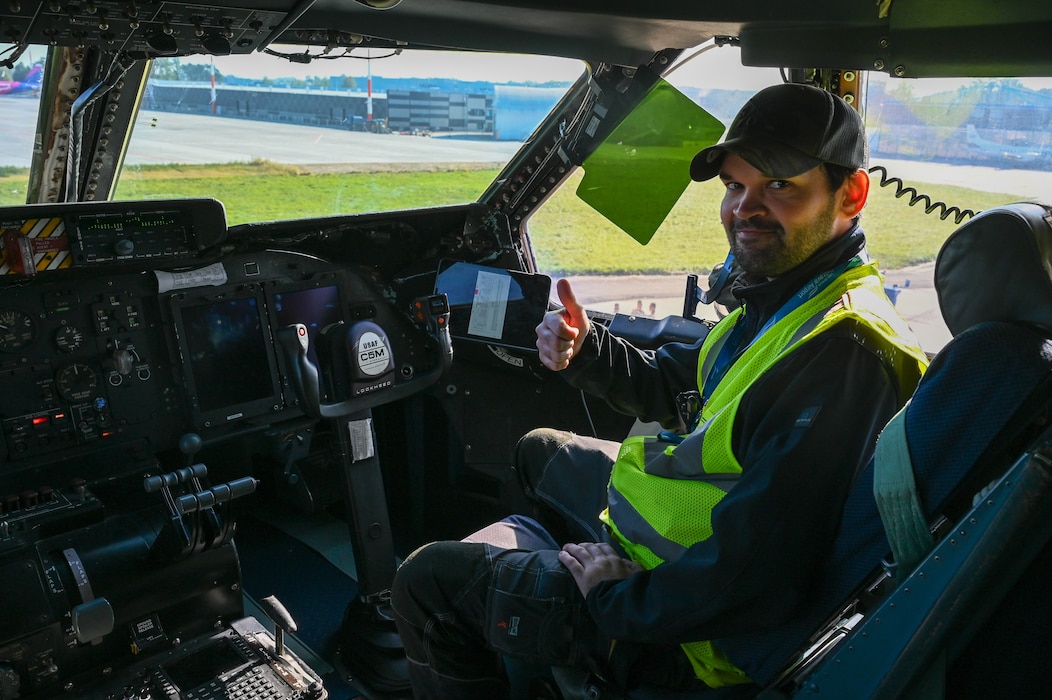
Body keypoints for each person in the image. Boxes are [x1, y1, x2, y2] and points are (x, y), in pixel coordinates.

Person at [390, 83, 929, 698]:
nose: (744, 208)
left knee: (425, 581)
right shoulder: (787, 302)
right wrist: (586, 350)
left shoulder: (841, 356)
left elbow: (757, 577)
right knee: (540, 449)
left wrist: (616, 599)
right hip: (681, 566)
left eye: (779, 185)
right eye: (734, 185)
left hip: (694, 645)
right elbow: (686, 386)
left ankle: (567, 631)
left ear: (851, 194)